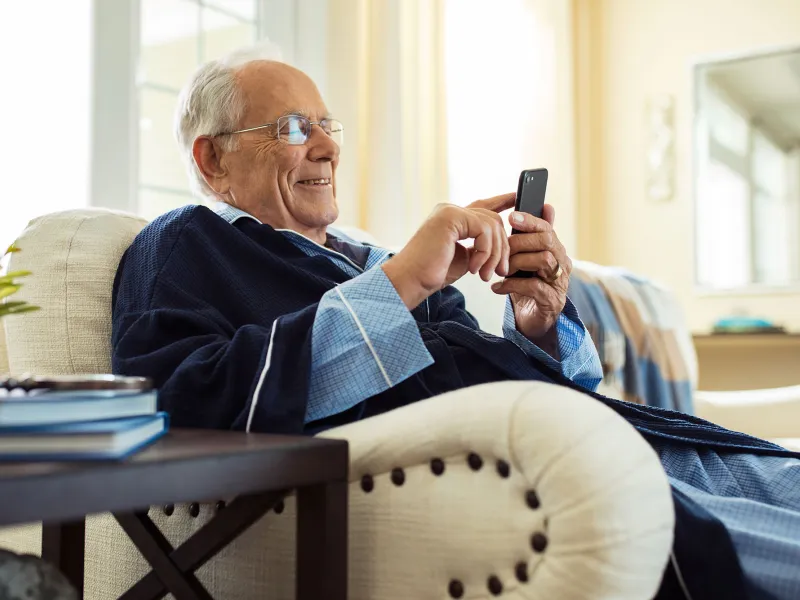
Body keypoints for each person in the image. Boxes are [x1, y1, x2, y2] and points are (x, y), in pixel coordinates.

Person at [112, 44, 800, 600]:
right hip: (512, 476)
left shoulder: (364, 256)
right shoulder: (185, 242)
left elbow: (507, 372)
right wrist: (404, 280)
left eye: (328, 125)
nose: (325, 147)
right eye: (293, 128)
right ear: (212, 158)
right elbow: (181, 402)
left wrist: (537, 323)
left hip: (618, 439)